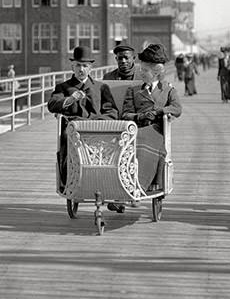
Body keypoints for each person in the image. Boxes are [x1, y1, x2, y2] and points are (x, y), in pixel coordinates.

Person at [47, 46, 118, 194]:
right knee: (67, 138)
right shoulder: (64, 87)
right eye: (78, 65)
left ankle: (107, 179)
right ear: (72, 66)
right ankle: (68, 178)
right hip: (74, 129)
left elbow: (112, 111)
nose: (81, 69)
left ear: (91, 68)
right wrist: (70, 99)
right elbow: (52, 105)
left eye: (85, 66)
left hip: (98, 129)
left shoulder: (100, 87)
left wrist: (98, 122)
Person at [120, 44, 182, 206]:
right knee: (126, 143)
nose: (140, 73)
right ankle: (123, 188)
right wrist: (140, 116)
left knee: (141, 143)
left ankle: (136, 189)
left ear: (156, 73)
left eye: (144, 71)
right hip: (136, 128)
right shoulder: (133, 91)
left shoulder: (168, 90)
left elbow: (177, 108)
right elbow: (125, 114)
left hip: (156, 131)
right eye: (141, 70)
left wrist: (159, 111)